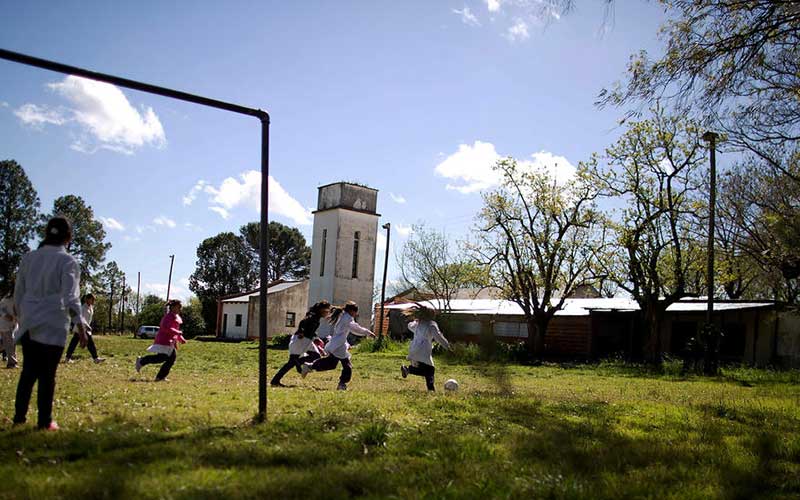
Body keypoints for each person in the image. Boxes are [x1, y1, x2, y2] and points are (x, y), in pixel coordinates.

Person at [13, 217, 88, 430]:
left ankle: (19, 417)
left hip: (30, 321)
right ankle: (44, 421)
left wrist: (21, 314)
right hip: (53, 323)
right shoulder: (67, 262)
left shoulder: (30, 258)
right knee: (47, 375)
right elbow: (71, 297)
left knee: (28, 372)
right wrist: (80, 326)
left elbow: (19, 290)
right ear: (68, 237)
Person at [301, 301, 375, 391]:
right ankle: (342, 384)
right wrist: (368, 333)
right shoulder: (348, 318)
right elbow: (355, 328)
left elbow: (342, 333)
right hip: (338, 346)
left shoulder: (342, 316)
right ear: (352, 311)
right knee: (347, 366)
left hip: (337, 344)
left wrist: (347, 345)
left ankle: (310, 366)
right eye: (356, 312)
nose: (356, 314)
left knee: (331, 364)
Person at [271, 300, 331, 387]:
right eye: (326, 311)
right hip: (300, 339)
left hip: (307, 340)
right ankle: (275, 381)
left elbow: (311, 329)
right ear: (321, 310)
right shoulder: (312, 316)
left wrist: (316, 338)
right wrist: (301, 331)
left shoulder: (316, 317)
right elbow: (303, 323)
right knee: (291, 363)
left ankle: (297, 362)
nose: (327, 313)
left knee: (316, 356)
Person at [400, 303, 451, 392]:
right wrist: (447, 346)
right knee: (430, 370)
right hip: (423, 350)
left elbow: (409, 326)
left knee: (426, 369)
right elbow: (438, 337)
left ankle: (408, 370)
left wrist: (415, 321)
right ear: (431, 315)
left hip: (414, 349)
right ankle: (430, 389)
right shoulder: (431, 324)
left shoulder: (418, 324)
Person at [135, 299, 186, 381]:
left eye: (181, 307)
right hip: (164, 341)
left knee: (168, 358)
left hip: (170, 342)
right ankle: (142, 361)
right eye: (178, 307)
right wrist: (178, 332)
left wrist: (181, 338)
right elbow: (166, 328)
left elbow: (175, 331)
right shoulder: (168, 317)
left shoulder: (175, 317)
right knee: (164, 358)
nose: (180, 309)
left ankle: (159, 376)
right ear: (172, 307)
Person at [64, 293, 105, 363]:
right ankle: (95, 358)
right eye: (92, 300)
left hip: (85, 328)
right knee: (88, 343)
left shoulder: (91, 307)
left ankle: (67, 358)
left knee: (75, 342)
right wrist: (87, 326)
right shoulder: (83, 308)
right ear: (88, 299)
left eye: (94, 300)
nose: (93, 301)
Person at [0, 291, 18, 368]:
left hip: (14, 325)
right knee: (10, 344)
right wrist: (6, 315)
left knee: (6, 344)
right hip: (5, 324)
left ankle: (12, 362)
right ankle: (12, 363)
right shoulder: (6, 299)